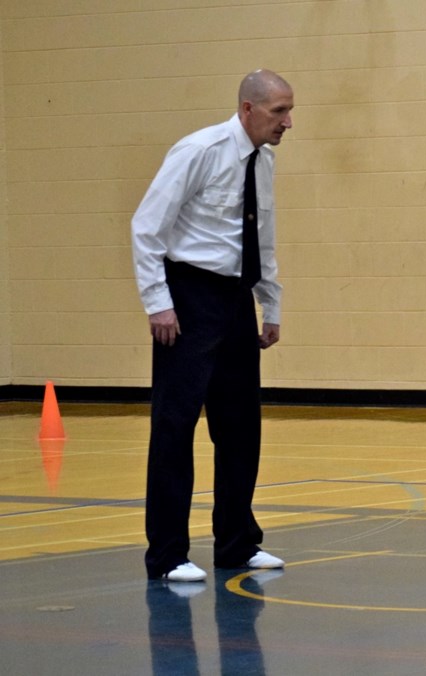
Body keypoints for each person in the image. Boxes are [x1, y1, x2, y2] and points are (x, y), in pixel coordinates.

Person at [131, 69, 294, 582]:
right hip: (188, 298)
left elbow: (260, 238)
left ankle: (237, 543)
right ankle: (168, 554)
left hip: (236, 299)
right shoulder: (198, 151)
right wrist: (159, 303)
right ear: (247, 109)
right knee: (176, 427)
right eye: (278, 112)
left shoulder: (262, 162)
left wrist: (270, 305)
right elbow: (146, 226)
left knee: (241, 427)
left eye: (289, 111)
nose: (288, 122)